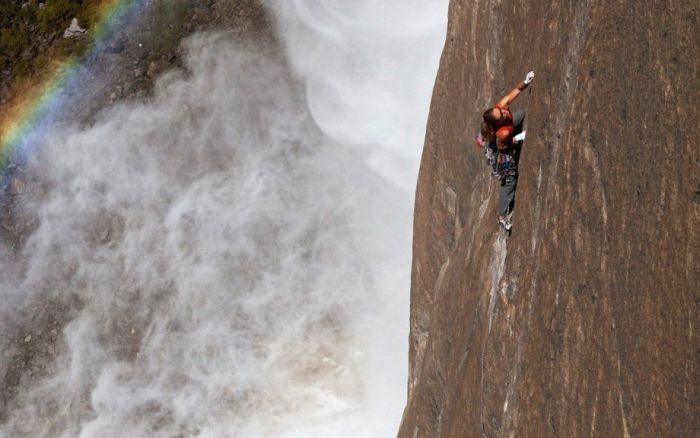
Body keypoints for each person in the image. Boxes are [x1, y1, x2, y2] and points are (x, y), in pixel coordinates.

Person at [481, 71, 534, 231]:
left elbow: (514, 92)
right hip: (502, 153)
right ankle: (502, 216)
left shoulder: (500, 108)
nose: (504, 111)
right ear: (496, 123)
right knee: (510, 179)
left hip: (508, 130)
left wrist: (525, 82)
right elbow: (506, 145)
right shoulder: (501, 133)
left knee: (520, 115)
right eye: (501, 115)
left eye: (501, 110)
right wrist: (519, 138)